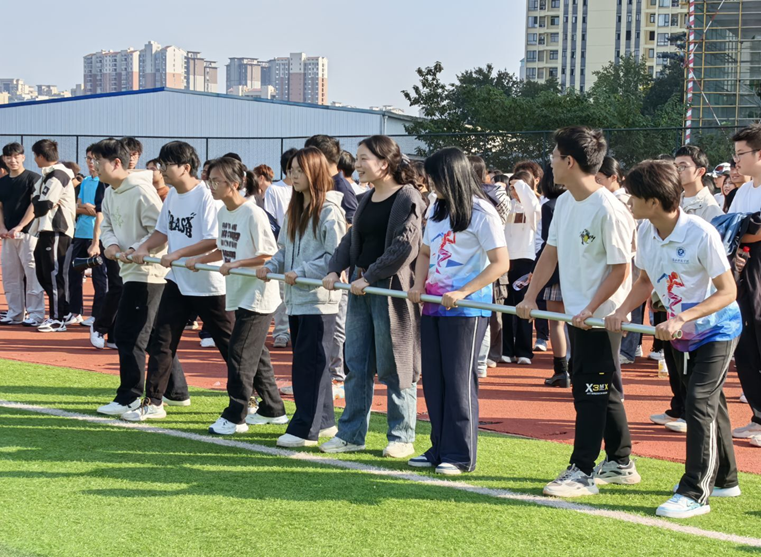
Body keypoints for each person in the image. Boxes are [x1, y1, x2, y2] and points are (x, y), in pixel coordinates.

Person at [606, 160, 741, 518]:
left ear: (653, 201)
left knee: (698, 401)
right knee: (709, 402)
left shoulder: (700, 233)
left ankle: (695, 492)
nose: (628, 202)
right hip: (681, 334)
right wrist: (622, 311)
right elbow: (645, 281)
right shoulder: (646, 231)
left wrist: (681, 317)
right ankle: (726, 478)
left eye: (633, 197)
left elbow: (728, 291)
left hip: (718, 328)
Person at [517, 126, 639, 497]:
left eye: (554, 157)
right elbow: (550, 253)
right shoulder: (566, 202)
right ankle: (620, 462)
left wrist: (590, 307)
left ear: (569, 161)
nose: (550, 163)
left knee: (590, 390)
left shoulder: (609, 209)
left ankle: (582, 470)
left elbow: (620, 269)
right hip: (578, 314)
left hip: (602, 317)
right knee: (602, 388)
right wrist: (530, 297)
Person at [406, 146, 509, 475]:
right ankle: (438, 447)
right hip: (433, 306)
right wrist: (419, 284)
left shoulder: (482, 211)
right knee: (434, 380)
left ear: (451, 176)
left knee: (459, 380)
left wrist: (464, 291)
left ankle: (460, 454)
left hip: (467, 310)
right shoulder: (436, 208)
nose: (429, 183)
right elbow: (425, 253)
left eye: (434, 177)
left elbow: (500, 263)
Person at [320, 135, 424, 458]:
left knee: (396, 365)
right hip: (361, 289)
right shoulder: (365, 198)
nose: (358, 164)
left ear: (385, 163)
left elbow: (405, 246)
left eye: (364, 158)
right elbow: (351, 238)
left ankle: (402, 436)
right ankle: (351, 434)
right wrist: (335, 269)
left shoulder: (408, 197)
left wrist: (371, 276)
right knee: (356, 365)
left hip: (390, 291)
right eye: (358, 158)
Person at [125, 141, 230, 422]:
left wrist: (178, 254)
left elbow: (212, 240)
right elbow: (162, 231)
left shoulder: (206, 196)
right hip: (178, 280)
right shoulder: (172, 195)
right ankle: (153, 401)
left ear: (185, 167)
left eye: (166, 164)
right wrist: (144, 248)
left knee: (229, 345)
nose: (161, 170)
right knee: (162, 339)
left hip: (209, 283)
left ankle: (253, 398)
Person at [185, 157, 286, 434]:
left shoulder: (253, 213)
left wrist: (236, 264)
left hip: (258, 295)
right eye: (209, 180)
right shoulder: (223, 212)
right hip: (239, 292)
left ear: (235, 183)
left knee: (239, 354)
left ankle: (235, 415)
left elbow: (268, 255)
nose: (211, 186)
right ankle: (273, 409)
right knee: (256, 354)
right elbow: (223, 248)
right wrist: (201, 259)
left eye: (216, 181)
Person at [257, 147, 347, 447]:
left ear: (315, 172)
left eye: (299, 170)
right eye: (291, 170)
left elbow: (335, 255)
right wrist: (271, 266)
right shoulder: (294, 208)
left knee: (311, 365)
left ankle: (306, 429)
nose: (293, 176)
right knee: (307, 363)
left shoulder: (330, 210)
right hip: (296, 299)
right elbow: (283, 250)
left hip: (319, 301)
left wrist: (302, 270)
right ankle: (324, 422)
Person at [92, 138, 188, 417]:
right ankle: (176, 391)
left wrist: (135, 250)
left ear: (116, 163)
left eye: (97, 161)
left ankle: (130, 396)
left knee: (128, 334)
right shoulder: (110, 191)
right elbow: (108, 225)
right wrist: (111, 245)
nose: (93, 166)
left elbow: (159, 231)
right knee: (153, 335)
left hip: (149, 272)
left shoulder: (141, 190)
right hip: (130, 270)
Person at [304, 135, 358, 393]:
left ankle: (336, 377)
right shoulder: (319, 186)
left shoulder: (340, 188)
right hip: (322, 268)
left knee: (336, 324)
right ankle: (326, 376)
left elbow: (352, 226)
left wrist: (340, 264)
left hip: (337, 272)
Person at [726, 125, 761, 445]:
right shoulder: (743, 192)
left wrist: (745, 235)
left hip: (758, 271)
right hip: (743, 273)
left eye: (741, 154)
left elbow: (752, 230)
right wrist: (737, 250)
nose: (736, 161)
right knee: (746, 346)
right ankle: (758, 416)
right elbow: (732, 230)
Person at [26, 140, 77, 332]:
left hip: (57, 229)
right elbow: (36, 200)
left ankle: (57, 318)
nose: (35, 159)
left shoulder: (58, 174)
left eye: (35, 155)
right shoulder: (48, 175)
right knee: (43, 273)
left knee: (54, 274)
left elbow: (43, 205)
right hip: (45, 230)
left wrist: (40, 201)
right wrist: (39, 201)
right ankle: (63, 312)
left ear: (40, 156)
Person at [0, 142, 45, 327]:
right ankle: (15, 313)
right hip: (7, 237)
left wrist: (20, 226)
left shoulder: (33, 178)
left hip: (28, 235)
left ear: (23, 157)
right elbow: (0, 207)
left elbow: (34, 206)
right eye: (8, 157)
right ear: (4, 159)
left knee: (32, 275)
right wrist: (2, 228)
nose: (13, 160)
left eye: (16, 156)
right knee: (10, 276)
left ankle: (35, 314)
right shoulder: (2, 182)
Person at [502, 170, 541, 365]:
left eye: (516, 187)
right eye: (511, 187)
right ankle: (506, 349)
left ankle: (524, 351)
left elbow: (531, 203)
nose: (513, 191)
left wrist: (522, 186)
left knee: (524, 305)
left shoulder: (534, 206)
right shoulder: (508, 205)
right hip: (506, 260)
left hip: (525, 260)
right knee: (506, 306)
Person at [65, 148, 107, 328]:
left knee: (99, 276)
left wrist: (89, 209)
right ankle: (75, 312)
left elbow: (100, 212)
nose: (91, 162)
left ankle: (97, 315)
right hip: (80, 233)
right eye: (88, 158)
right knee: (74, 272)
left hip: (97, 236)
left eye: (94, 158)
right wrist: (86, 208)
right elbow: (77, 207)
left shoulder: (104, 182)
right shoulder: (85, 181)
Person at [536, 164, 569, 387]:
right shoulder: (577, 202)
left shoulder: (549, 206)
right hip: (578, 272)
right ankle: (575, 368)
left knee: (556, 323)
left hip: (556, 271)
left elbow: (549, 244)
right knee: (577, 322)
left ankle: (561, 371)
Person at [264, 148, 297, 349]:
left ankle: (295, 331)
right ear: (287, 169)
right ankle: (281, 332)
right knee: (283, 291)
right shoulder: (275, 190)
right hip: (282, 245)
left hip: (301, 246)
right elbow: (270, 219)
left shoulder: (305, 188)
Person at [675, 145, 723, 223]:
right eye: (675, 166)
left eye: (683, 166)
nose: (677, 171)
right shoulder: (676, 201)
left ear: (701, 171)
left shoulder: (709, 207)